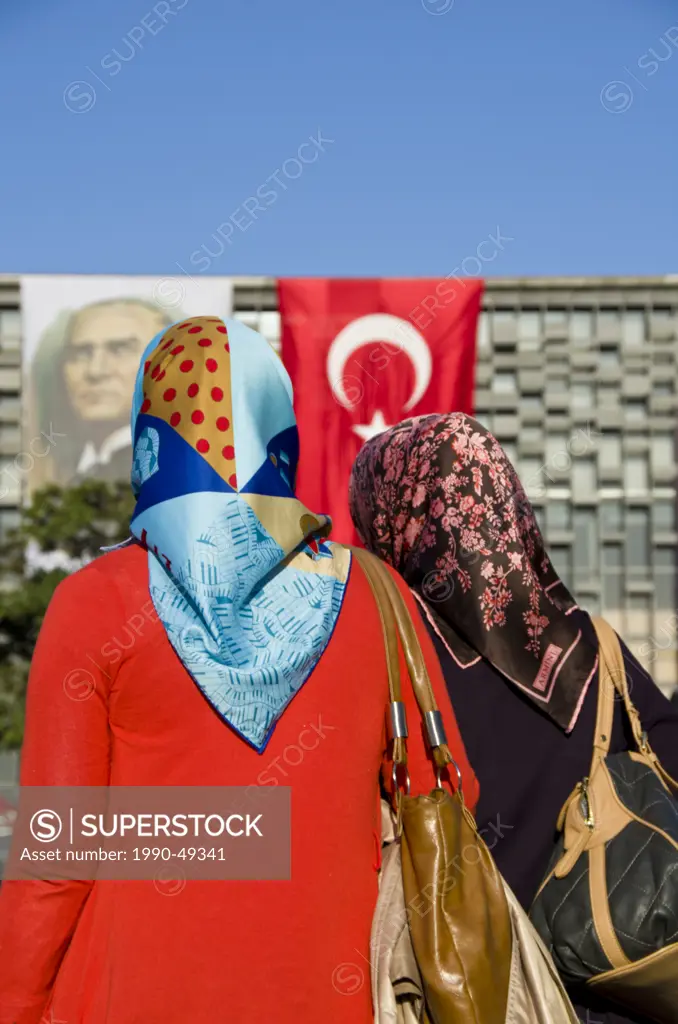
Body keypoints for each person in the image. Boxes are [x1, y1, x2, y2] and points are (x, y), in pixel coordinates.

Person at [0, 318, 478, 1024]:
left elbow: (56, 859)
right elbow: (448, 792)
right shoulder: (380, 598)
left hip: (127, 994)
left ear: (149, 433)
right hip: (336, 996)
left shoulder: (95, 602)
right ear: (279, 431)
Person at [349, 410, 678, 1024]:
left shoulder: (393, 659)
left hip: (471, 995)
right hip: (619, 988)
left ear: (397, 521)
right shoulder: (595, 647)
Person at [28, 298, 172, 488]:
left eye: (120, 350)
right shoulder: (60, 472)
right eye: (81, 353)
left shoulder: (179, 472)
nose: (95, 371)